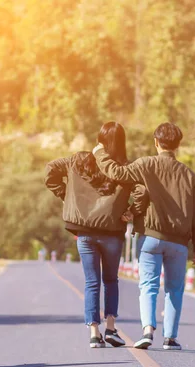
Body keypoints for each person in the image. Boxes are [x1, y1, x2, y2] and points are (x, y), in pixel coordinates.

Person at [92, 122, 195, 350]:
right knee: (175, 289)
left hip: (151, 238)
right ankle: (170, 338)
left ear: (156, 142)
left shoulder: (145, 164)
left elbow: (116, 172)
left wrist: (100, 154)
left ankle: (147, 332)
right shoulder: (189, 175)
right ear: (178, 145)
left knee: (148, 286)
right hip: (179, 243)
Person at [45, 122, 148, 348]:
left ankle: (94, 333)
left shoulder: (77, 160)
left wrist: (66, 195)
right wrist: (131, 211)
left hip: (85, 235)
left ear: (99, 139)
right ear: (122, 142)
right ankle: (111, 328)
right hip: (112, 233)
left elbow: (50, 170)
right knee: (111, 281)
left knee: (92, 282)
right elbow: (142, 190)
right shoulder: (124, 167)